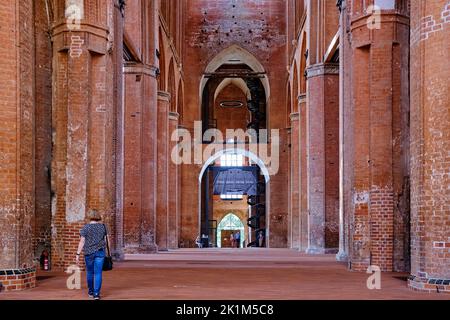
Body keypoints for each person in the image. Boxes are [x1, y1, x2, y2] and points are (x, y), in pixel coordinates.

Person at [76, 210, 109, 300]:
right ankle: (96, 294)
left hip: (89, 252)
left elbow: (82, 241)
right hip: (100, 252)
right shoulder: (103, 227)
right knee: (98, 273)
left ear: (89, 216)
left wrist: (77, 254)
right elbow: (107, 241)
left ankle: (90, 292)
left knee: (90, 272)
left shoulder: (86, 227)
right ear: (98, 216)